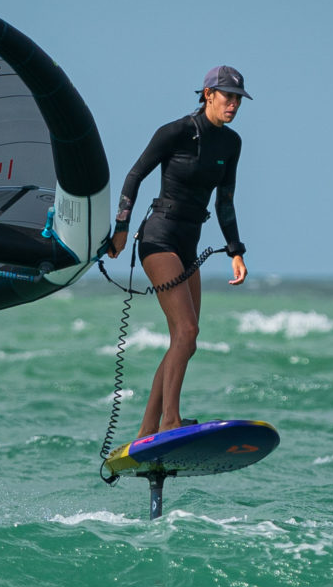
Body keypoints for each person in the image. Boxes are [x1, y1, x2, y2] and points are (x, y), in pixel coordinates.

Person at [107, 65, 251, 437]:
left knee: (185, 340)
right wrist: (121, 229)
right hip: (159, 237)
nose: (233, 104)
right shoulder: (177, 132)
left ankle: (146, 430)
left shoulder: (231, 144)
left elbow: (226, 201)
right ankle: (170, 420)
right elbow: (135, 175)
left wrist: (235, 250)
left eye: (238, 99)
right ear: (208, 95)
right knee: (186, 331)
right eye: (227, 96)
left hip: (189, 242)